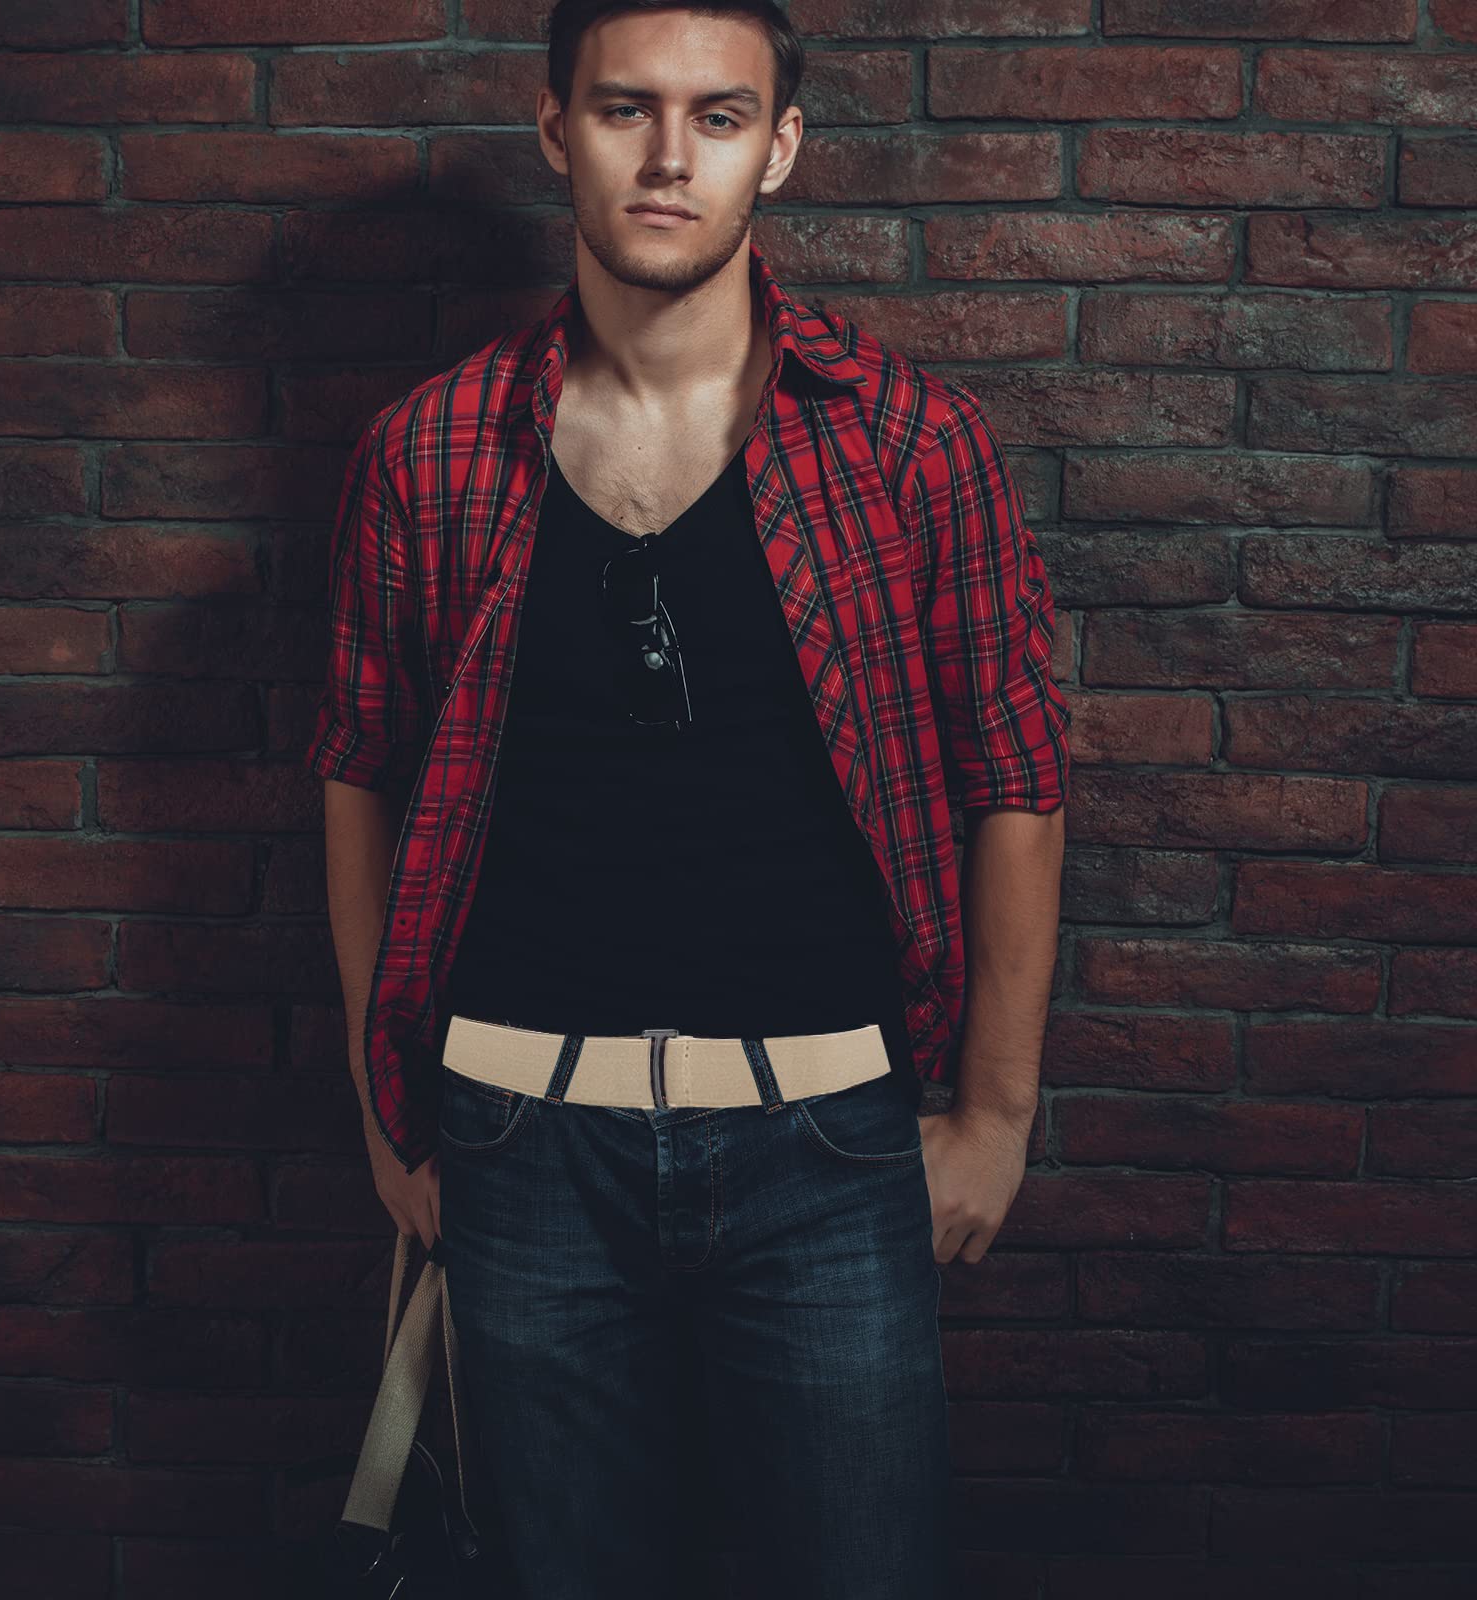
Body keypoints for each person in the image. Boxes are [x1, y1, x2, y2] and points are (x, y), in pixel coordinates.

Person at [308, 2, 1071, 1593]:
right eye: (624, 110)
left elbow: (1013, 776)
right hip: (519, 1139)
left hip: (830, 1144)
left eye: (718, 117)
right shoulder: (431, 450)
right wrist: (391, 1111)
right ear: (555, 130)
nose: (669, 157)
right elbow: (361, 770)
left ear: (778, 148)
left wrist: (995, 1117)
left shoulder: (906, 443)